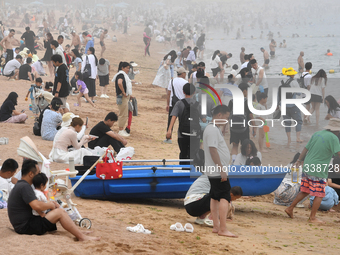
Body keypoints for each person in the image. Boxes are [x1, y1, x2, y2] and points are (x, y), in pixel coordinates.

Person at [7, 159, 100, 240]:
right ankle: (81, 237)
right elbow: (36, 205)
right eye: (38, 173)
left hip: (23, 224)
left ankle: (78, 232)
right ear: (31, 174)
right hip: (26, 227)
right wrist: (50, 205)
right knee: (60, 212)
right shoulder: (24, 186)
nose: (39, 175)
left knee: (57, 211)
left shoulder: (21, 185)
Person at [285, 118, 340, 223]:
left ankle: (290, 208)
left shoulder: (317, 133)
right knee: (320, 193)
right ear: (336, 130)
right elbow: (339, 153)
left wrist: (299, 160)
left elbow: (305, 148)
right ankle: (312, 217)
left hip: (307, 166)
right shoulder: (334, 138)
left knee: (305, 190)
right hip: (318, 169)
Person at [203, 105, 237, 237]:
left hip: (214, 170)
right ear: (219, 115)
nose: (227, 120)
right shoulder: (212, 130)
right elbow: (213, 150)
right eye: (226, 117)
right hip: (217, 170)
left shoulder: (213, 129)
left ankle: (216, 226)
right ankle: (223, 228)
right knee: (224, 197)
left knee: (215, 196)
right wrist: (222, 169)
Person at [166, 83, 201, 165]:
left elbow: (173, 117)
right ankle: (192, 172)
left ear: (183, 92)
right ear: (194, 92)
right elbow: (203, 119)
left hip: (182, 134)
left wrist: (169, 130)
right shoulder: (198, 104)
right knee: (193, 154)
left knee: (183, 153)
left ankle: (183, 171)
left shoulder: (179, 103)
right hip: (195, 134)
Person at [228, 83, 254, 163]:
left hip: (233, 127)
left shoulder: (232, 101)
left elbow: (228, 115)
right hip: (244, 128)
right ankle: (244, 162)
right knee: (245, 146)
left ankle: (234, 161)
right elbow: (250, 115)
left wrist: (224, 128)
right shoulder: (247, 102)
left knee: (235, 145)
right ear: (244, 91)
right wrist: (254, 127)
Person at [280, 67, 304, 144]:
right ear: (292, 75)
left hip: (283, 105)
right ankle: (298, 138)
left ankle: (289, 138)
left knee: (287, 122)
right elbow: (299, 93)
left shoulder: (281, 81)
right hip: (293, 105)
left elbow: (278, 94)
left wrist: (278, 104)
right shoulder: (294, 82)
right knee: (298, 121)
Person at [164, 67, 187, 144]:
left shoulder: (172, 81)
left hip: (173, 103)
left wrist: (168, 104)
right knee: (182, 122)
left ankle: (168, 138)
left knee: (170, 121)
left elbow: (168, 93)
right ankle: (181, 138)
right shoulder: (185, 82)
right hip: (182, 104)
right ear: (183, 73)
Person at [112, 62, 133, 137]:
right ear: (122, 68)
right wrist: (124, 92)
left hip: (124, 96)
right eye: (127, 68)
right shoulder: (121, 74)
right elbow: (119, 83)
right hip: (122, 96)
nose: (128, 69)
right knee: (123, 114)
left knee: (124, 113)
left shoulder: (123, 75)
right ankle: (121, 130)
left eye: (128, 68)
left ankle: (121, 129)